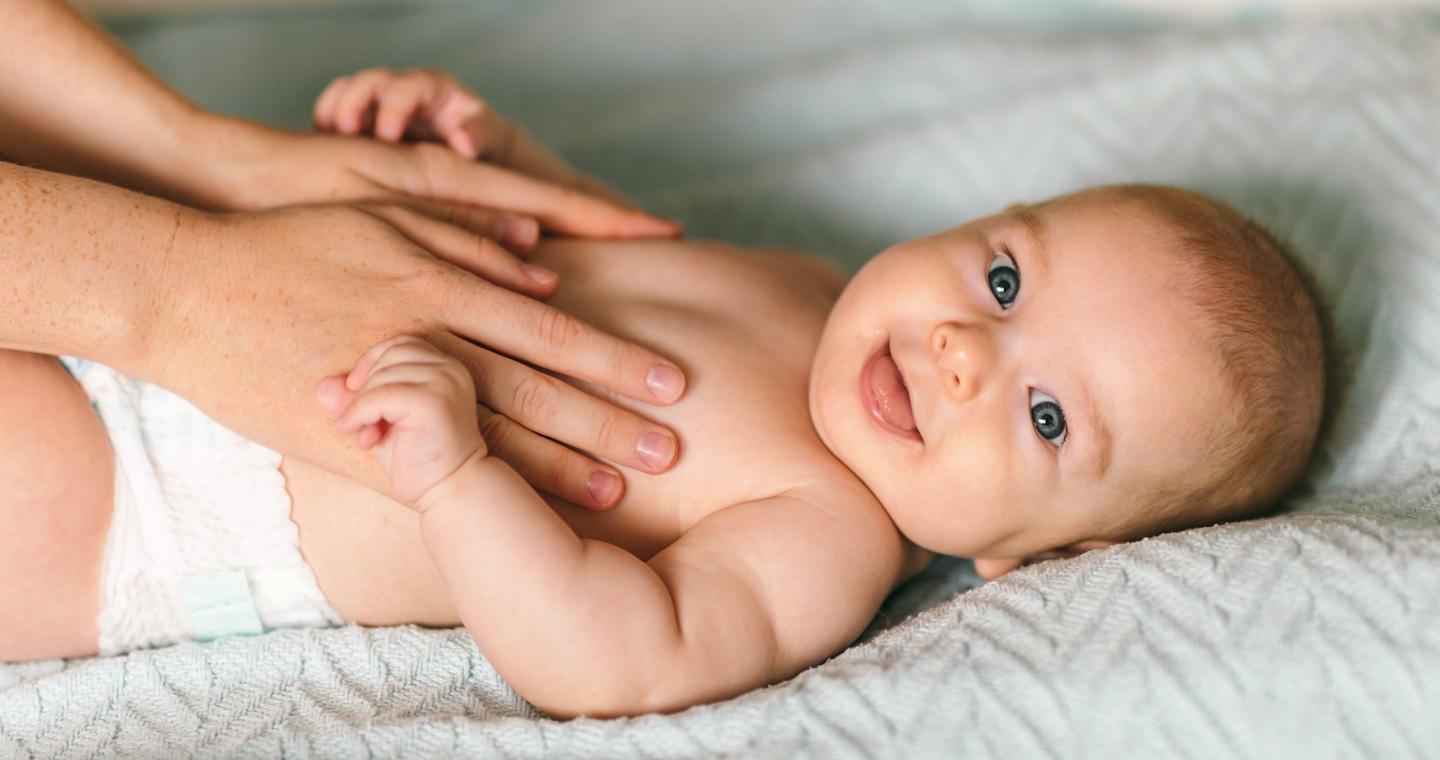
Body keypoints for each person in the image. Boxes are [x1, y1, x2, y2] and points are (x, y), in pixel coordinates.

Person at [0, 70, 1328, 722]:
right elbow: (594, 249)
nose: (965, 355)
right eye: (998, 277)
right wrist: (483, 156)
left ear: (1027, 558)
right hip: (217, 263)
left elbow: (613, 655)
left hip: (179, 499)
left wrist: (461, 480)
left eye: (1046, 418)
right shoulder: (804, 285)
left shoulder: (825, 536)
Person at [0, 0, 693, 516]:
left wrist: (206, 167)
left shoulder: (801, 519)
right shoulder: (806, 301)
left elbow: (619, 658)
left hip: (162, 474)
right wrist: (181, 283)